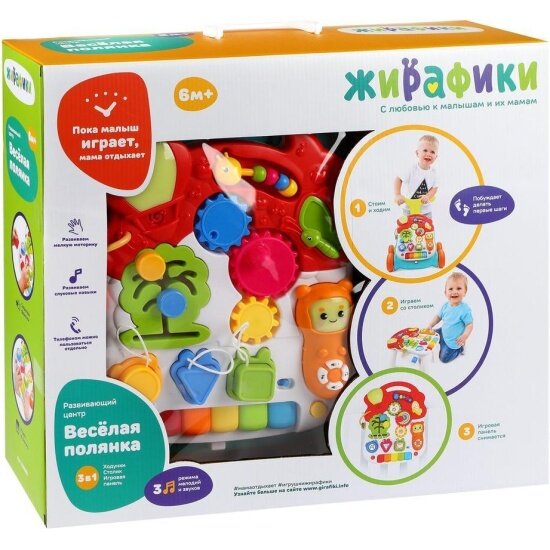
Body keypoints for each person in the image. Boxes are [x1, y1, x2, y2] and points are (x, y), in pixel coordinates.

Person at [427, 272, 473, 363]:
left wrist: (464, 336)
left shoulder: (465, 309)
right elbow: (438, 317)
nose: (454, 291)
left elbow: (469, 324)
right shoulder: (445, 306)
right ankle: (440, 341)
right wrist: (430, 325)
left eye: (459, 288)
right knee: (429, 335)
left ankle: (459, 349)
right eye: (450, 289)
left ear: (465, 292)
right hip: (443, 332)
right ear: (445, 293)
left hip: (453, 342)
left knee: (443, 358)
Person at [394, 135, 439, 217]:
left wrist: (428, 196)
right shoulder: (412, 169)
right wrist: (397, 194)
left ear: (436, 157)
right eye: (425, 150)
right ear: (417, 153)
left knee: (427, 225)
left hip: (426, 211)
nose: (428, 154)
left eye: (432, 152)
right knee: (407, 225)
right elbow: (398, 179)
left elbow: (434, 188)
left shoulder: (434, 172)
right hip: (409, 208)